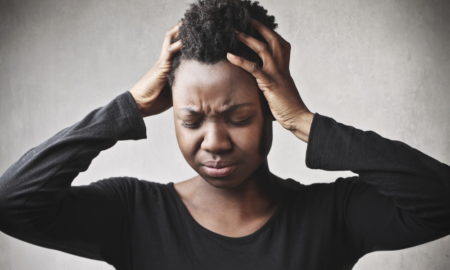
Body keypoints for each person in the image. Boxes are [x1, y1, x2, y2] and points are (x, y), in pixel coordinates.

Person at [0, 0, 449, 269]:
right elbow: (13, 202)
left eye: (237, 118)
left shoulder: (332, 215)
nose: (213, 142)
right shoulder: (131, 213)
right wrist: (129, 107)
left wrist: (304, 120)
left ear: (271, 110)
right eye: (191, 120)